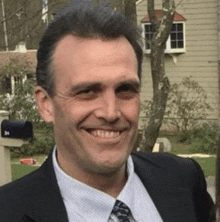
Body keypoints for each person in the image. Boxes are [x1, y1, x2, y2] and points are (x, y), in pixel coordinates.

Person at [0, 3, 215, 222]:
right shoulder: (8, 212)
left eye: (125, 90)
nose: (111, 113)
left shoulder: (182, 180)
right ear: (46, 104)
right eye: (87, 91)